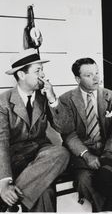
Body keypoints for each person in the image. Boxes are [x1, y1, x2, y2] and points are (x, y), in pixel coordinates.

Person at [51, 57, 112, 212]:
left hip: (109, 150)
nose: (96, 78)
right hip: (81, 153)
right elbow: (68, 134)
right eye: (89, 75)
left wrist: (108, 153)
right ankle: (104, 211)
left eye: (97, 73)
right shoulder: (66, 100)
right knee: (83, 181)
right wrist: (86, 155)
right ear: (77, 79)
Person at [0, 48, 70, 212]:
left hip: (41, 155)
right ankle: (12, 196)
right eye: (38, 70)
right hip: (15, 159)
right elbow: (1, 143)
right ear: (22, 75)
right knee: (45, 192)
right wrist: (4, 182)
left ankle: (6, 202)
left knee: (61, 152)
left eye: (42, 70)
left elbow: (65, 127)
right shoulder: (3, 102)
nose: (43, 75)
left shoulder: (44, 96)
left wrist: (53, 99)